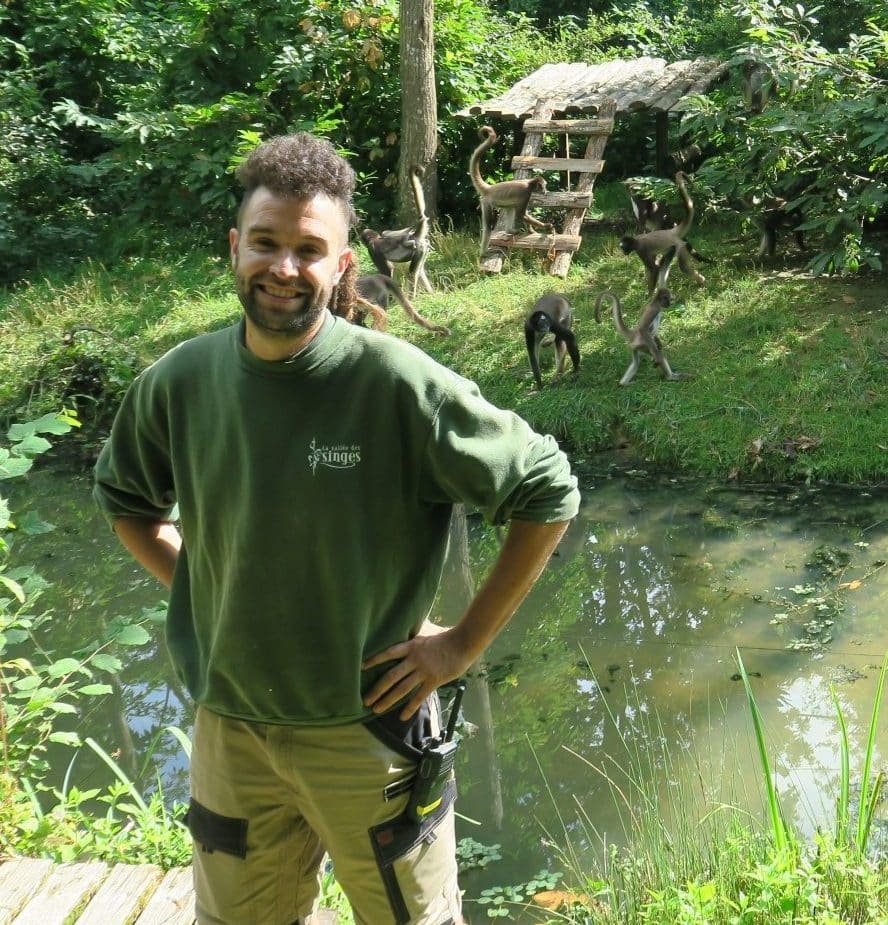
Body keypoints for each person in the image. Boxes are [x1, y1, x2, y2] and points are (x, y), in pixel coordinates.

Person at [93, 132, 580, 925]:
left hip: (370, 735)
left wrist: (460, 645)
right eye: (266, 243)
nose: (284, 267)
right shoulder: (180, 381)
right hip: (231, 734)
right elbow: (126, 500)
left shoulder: (394, 384)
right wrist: (208, 587)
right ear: (235, 248)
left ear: (343, 264)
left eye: (309, 249)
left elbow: (546, 488)